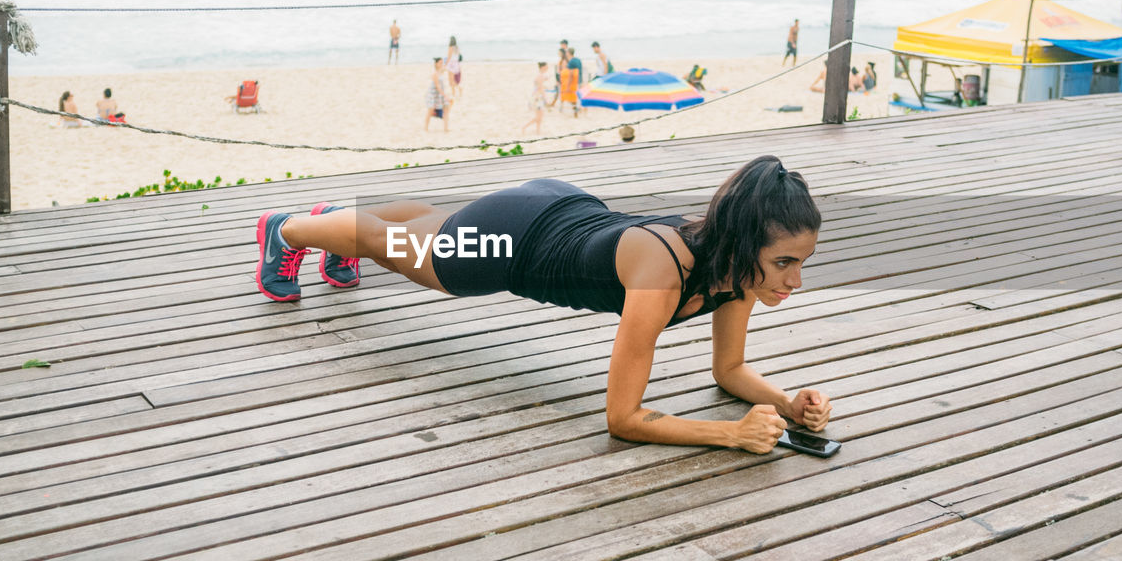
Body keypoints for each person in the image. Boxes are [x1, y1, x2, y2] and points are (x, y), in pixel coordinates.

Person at [252, 156, 831, 452]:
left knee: (433, 229)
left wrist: (786, 404)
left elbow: (728, 372)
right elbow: (622, 420)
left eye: (800, 262)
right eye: (784, 263)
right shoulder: (666, 271)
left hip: (560, 209)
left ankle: (332, 225)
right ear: (744, 244)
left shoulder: (735, 272)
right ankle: (289, 229)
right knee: (414, 256)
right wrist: (728, 435)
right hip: (517, 240)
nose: (794, 280)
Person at [523, 62, 549, 134]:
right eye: (546, 66)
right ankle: (525, 127)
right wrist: (546, 98)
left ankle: (538, 130)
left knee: (539, 116)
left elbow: (539, 86)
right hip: (538, 98)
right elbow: (540, 88)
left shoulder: (540, 75)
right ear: (543, 67)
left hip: (537, 96)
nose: (547, 68)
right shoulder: (540, 76)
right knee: (539, 116)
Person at [424, 57, 449, 132]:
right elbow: (437, 87)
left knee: (446, 109)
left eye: (442, 62)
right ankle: (426, 128)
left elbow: (447, 64)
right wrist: (445, 96)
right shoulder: (435, 74)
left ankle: (446, 128)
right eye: (440, 62)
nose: (442, 64)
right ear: (436, 64)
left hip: (440, 94)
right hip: (433, 94)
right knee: (430, 111)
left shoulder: (441, 71)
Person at [566, 47, 584, 117]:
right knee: (578, 96)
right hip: (580, 80)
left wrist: (568, 85)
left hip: (574, 82)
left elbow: (571, 75)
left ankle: (575, 111)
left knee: (572, 97)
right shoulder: (578, 60)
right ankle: (578, 109)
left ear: (568, 53)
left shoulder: (571, 62)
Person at [445, 36, 463, 102]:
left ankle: (454, 93)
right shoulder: (457, 47)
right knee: (454, 79)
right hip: (457, 64)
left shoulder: (450, 47)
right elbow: (459, 56)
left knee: (451, 80)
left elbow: (449, 57)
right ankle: (458, 89)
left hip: (451, 65)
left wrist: (445, 65)